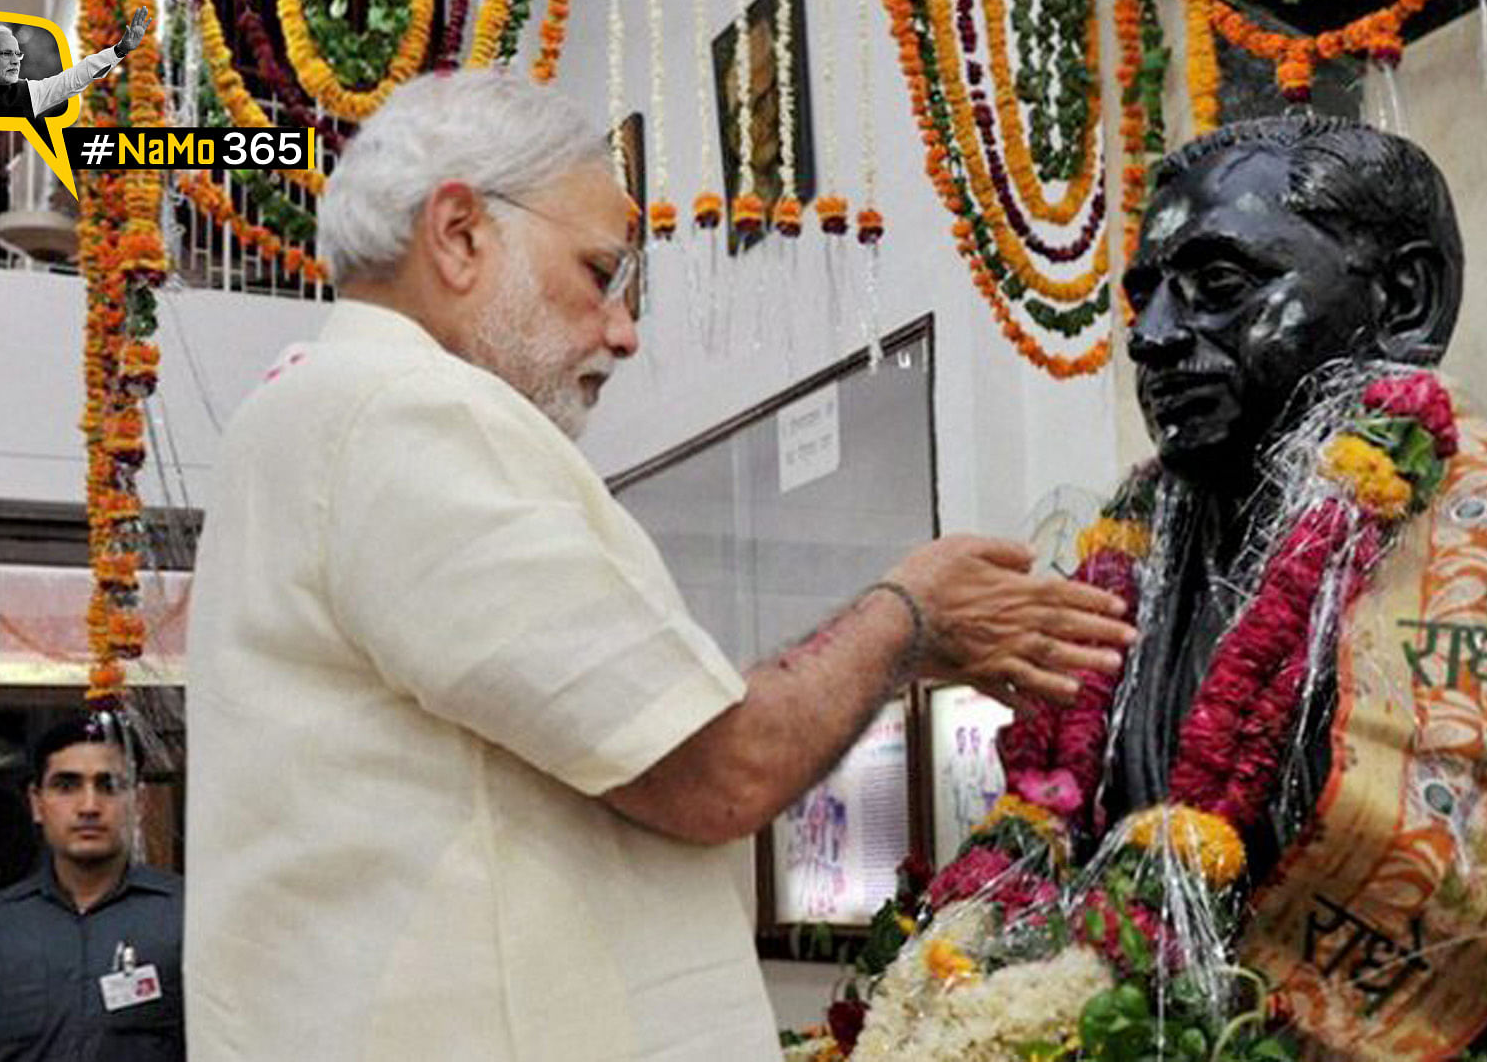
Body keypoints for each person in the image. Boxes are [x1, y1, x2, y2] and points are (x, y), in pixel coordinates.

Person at [184, 70, 1137, 1061]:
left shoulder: (322, 411)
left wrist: (900, 640)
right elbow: (717, 770)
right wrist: (908, 617)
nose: (626, 333)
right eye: (601, 273)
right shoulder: (405, 412)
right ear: (460, 233)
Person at [1113, 115, 1487, 1056]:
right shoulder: (1120, 583)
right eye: (1142, 296)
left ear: (1404, 300)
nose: (1151, 338)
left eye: (1219, 288)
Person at [0, 716, 184, 1062]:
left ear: (138, 802)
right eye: (67, 786)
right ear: (37, 803)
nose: (89, 806)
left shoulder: (185, 920)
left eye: (109, 785)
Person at [0, 6, 149, 122]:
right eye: (5, 54)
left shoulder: (24, 94)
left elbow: (73, 79)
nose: (14, 61)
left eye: (17, 54)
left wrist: (120, 50)